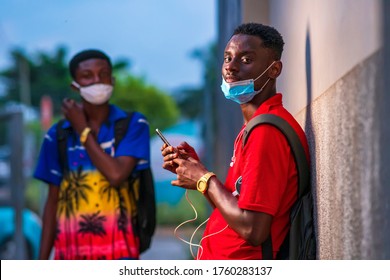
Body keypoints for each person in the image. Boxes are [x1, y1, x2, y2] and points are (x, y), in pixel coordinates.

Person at [160, 23, 310, 259]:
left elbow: (253, 229)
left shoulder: (266, 132)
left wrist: (204, 179)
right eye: (228, 58)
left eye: (246, 59)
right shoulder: (255, 127)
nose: (231, 66)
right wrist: (196, 174)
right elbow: (237, 207)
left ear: (274, 69)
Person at [34, 49, 151, 260]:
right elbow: (52, 202)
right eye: (87, 76)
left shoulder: (133, 125)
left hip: (120, 255)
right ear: (75, 86)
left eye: (103, 74)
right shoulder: (58, 135)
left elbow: (116, 175)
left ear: (112, 80)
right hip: (70, 256)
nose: (97, 81)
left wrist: (82, 130)